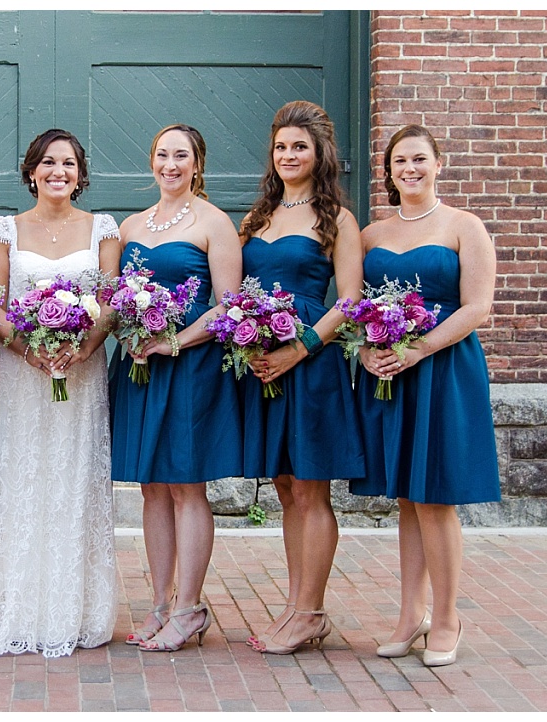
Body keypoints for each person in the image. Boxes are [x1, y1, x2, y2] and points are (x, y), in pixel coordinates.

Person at [0, 129, 120, 657]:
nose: (58, 172)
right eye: (48, 162)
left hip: (82, 372)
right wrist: (31, 350)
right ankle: (17, 606)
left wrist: (81, 348)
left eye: (68, 164)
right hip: (23, 375)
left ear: (80, 173)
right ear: (31, 171)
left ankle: (72, 610)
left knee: (73, 483)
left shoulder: (104, 230)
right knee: (21, 481)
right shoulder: (5, 230)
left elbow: (110, 303)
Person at [350, 124, 500, 667]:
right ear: (388, 173)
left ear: (439, 163)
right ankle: (408, 614)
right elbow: (354, 309)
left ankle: (448, 615)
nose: (409, 169)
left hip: (444, 370)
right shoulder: (371, 236)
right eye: (399, 162)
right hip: (389, 372)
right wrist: (364, 351)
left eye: (418, 159)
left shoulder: (465, 226)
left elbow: (476, 306)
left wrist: (420, 349)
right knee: (408, 498)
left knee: (436, 496)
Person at [238, 101, 366, 654]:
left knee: (312, 487)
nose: (288, 155)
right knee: (287, 487)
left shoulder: (336, 218)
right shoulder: (256, 218)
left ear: (319, 155)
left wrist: (302, 347)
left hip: (313, 365)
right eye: (281, 146)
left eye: (300, 147)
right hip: (265, 364)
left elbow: (352, 301)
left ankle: (310, 611)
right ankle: (295, 607)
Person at [109, 124, 243, 652]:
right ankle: (161, 603)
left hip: (189, 368)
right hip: (141, 365)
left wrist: (174, 342)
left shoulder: (215, 223)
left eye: (181, 156)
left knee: (186, 485)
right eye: (162, 154)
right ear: (151, 161)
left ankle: (189, 608)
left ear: (197, 163)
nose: (170, 164)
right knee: (151, 487)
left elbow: (228, 304)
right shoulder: (131, 224)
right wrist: (131, 332)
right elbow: (116, 296)